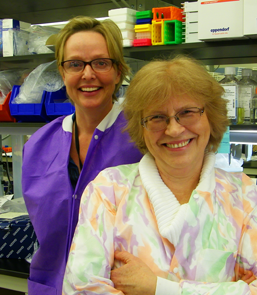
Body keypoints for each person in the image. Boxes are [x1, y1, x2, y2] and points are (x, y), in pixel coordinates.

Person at [63, 56, 257, 294]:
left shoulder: (243, 195)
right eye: (157, 117)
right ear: (141, 127)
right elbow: (80, 289)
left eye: (188, 112)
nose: (174, 129)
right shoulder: (108, 191)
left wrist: (158, 288)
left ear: (210, 117)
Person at [22, 16, 143, 295]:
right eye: (75, 64)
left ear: (118, 71)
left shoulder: (143, 139)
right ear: (63, 74)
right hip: (48, 286)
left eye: (101, 63)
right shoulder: (39, 145)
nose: (87, 74)